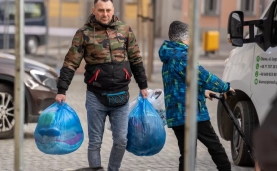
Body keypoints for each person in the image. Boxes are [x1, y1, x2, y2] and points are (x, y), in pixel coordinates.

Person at [55, 0, 148, 170]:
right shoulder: (84, 33)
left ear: (113, 10)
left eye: (108, 10)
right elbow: (70, 62)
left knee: (121, 140)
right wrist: (62, 90)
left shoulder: (125, 30)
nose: (105, 14)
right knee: (95, 142)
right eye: (101, 10)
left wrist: (143, 85)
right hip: (95, 96)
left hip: (121, 95)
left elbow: (136, 58)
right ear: (94, 10)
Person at [158, 20, 235, 171]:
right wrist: (225, 87)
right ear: (184, 37)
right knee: (215, 148)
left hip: (176, 114)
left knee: (187, 155)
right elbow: (203, 76)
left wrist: (204, 92)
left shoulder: (169, 55)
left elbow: (180, 82)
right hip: (192, 113)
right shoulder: (183, 56)